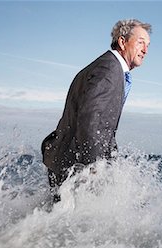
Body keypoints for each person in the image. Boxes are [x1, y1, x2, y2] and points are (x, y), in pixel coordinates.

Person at [41, 19, 152, 203]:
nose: (145, 50)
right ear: (122, 42)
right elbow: (90, 118)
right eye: (140, 42)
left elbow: (102, 125)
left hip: (67, 161)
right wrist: (94, 169)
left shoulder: (109, 67)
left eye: (148, 45)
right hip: (74, 166)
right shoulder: (108, 69)